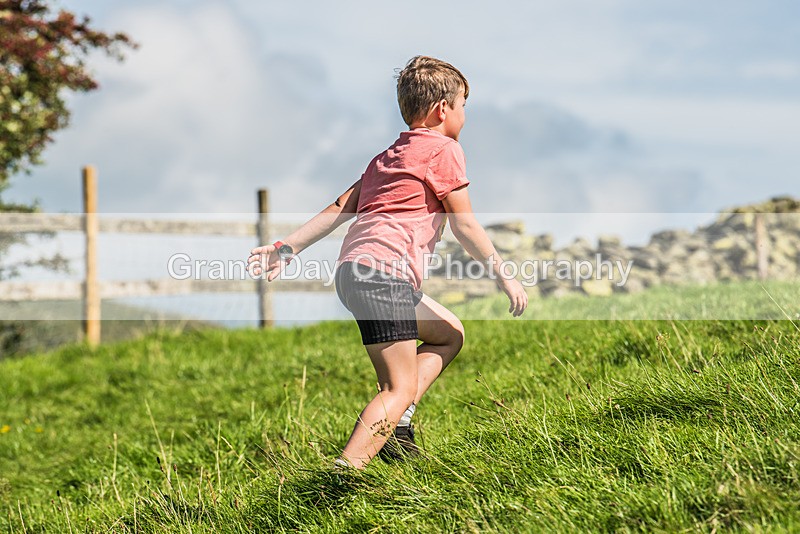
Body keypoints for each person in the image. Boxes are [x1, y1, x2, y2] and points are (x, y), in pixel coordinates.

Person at [247, 55, 528, 470]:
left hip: (355, 273)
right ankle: (346, 471)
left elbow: (340, 207)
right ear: (443, 109)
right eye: (464, 105)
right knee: (397, 386)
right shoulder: (444, 151)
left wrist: (287, 247)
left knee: (449, 333)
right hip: (385, 276)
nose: (466, 117)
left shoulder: (387, 157)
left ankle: (398, 427)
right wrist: (505, 276)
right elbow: (464, 224)